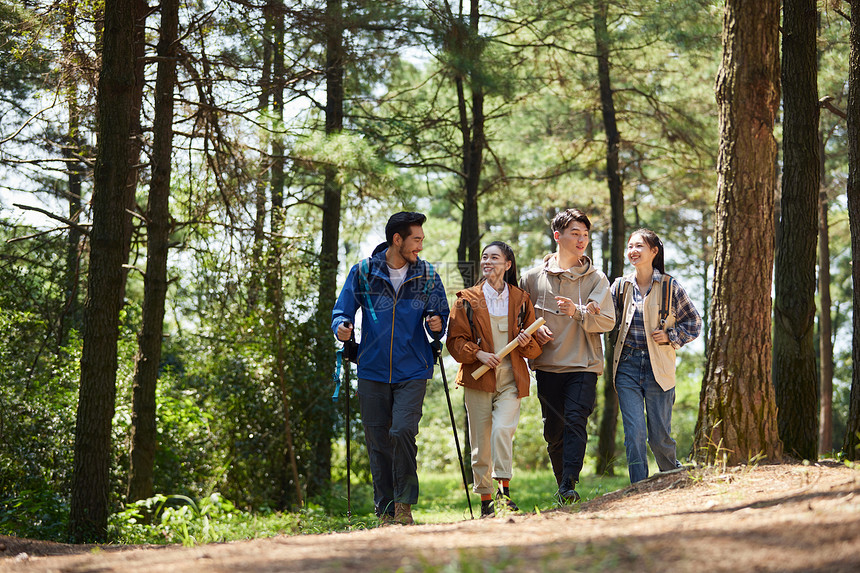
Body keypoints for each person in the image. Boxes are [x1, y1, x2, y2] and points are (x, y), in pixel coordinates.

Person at [331, 211, 449, 525]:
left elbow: (440, 316)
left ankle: (404, 505)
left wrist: (437, 323)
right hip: (372, 369)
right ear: (397, 239)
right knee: (378, 440)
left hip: (413, 368)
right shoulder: (363, 272)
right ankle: (384, 511)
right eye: (416, 239)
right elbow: (342, 311)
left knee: (402, 431)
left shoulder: (426, 275)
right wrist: (342, 327)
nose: (420, 247)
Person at [519, 208, 615, 503]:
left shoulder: (596, 278)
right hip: (547, 366)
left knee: (576, 420)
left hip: (584, 363)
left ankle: (569, 485)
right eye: (575, 233)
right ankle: (563, 485)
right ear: (558, 236)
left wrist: (578, 312)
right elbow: (520, 320)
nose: (582, 239)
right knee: (554, 430)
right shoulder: (532, 278)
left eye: (586, 235)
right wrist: (535, 331)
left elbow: (608, 321)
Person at [446, 241, 542, 518]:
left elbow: (534, 347)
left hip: (511, 378)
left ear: (508, 264)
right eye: (485, 257)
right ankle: (486, 501)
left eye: (495, 258)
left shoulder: (521, 299)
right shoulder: (466, 299)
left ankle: (504, 491)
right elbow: (455, 342)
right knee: (480, 443)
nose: (488, 262)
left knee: (502, 430)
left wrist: (525, 341)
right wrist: (478, 353)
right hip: (478, 379)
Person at [610, 228, 702, 484]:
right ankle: (639, 486)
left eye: (639, 246)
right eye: (630, 246)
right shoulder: (620, 286)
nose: (633, 251)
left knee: (659, 435)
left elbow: (694, 322)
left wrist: (671, 336)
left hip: (658, 366)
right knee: (634, 432)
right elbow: (605, 319)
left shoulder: (670, 286)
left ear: (654, 251)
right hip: (626, 365)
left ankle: (673, 475)